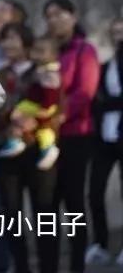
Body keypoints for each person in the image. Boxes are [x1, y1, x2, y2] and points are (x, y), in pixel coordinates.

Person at [0, 23, 58, 273]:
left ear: (27, 43)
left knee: (45, 212)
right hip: (7, 150)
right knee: (11, 213)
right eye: (4, 39)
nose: (8, 44)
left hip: (37, 150)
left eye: (14, 39)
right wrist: (9, 119)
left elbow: (56, 106)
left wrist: (37, 121)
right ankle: (20, 266)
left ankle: (49, 267)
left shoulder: (43, 71)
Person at [45, 0, 99, 273]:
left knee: (74, 203)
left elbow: (84, 93)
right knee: (47, 206)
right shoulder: (46, 51)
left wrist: (57, 116)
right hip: (45, 138)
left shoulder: (84, 51)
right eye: (49, 15)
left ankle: (77, 265)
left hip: (75, 136)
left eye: (60, 14)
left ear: (73, 16)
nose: (54, 20)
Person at [85, 17, 123, 266]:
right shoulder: (106, 65)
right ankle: (100, 242)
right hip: (104, 139)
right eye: (114, 31)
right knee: (95, 192)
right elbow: (95, 100)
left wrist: (107, 102)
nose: (117, 34)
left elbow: (105, 100)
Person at [0, 35, 61, 169]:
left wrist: (44, 109)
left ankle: (15, 141)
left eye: (41, 52)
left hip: (43, 107)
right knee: (42, 129)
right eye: (35, 51)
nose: (37, 55)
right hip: (39, 108)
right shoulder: (37, 71)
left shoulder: (49, 72)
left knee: (17, 113)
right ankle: (46, 147)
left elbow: (52, 95)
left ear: (54, 54)